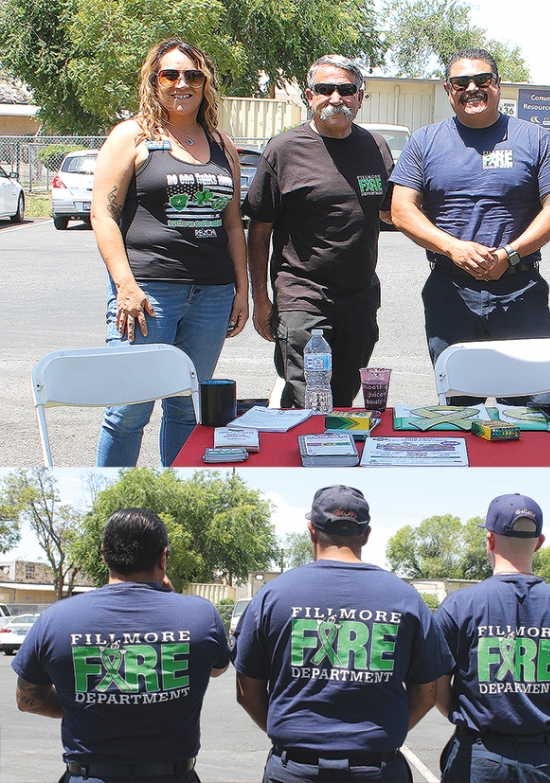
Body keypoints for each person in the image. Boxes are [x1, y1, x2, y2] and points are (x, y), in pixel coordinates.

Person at [92, 39, 249, 466]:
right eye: (170, 74)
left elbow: (233, 223)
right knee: (129, 408)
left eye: (193, 76)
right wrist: (125, 286)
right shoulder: (133, 135)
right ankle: (112, 504)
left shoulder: (221, 143)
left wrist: (242, 290)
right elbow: (103, 216)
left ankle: (172, 496)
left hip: (212, 296)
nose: (182, 83)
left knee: (186, 408)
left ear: (206, 84)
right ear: (153, 80)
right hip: (148, 295)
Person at [232, 485, 454, 782]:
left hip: (295, 770)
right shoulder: (405, 598)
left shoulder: (273, 596)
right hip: (378, 770)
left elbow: (248, 691)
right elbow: (426, 694)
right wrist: (378, 736)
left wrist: (293, 735)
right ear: (366, 534)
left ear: (312, 530)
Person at [390, 48, 550, 402]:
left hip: (521, 291)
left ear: (498, 85)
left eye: (482, 79)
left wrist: (511, 253)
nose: (472, 88)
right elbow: (402, 210)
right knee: (460, 409)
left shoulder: (534, 139)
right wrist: (454, 248)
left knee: (534, 405)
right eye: (461, 82)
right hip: (450, 293)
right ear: (448, 89)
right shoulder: (424, 142)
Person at [12, 508, 229, 783]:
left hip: (89, 777)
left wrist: (81, 702)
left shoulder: (55, 619)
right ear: (163, 557)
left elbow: (27, 700)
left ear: (104, 554)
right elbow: (217, 669)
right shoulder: (201, 616)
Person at [245, 55, 394, 409]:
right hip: (303, 297)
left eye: (346, 90)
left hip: (359, 299)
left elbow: (391, 213)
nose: (336, 98)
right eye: (325, 89)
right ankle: (303, 458)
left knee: (342, 397)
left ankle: (330, 459)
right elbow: (259, 228)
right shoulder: (283, 150)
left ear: (360, 96)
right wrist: (261, 299)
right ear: (309, 95)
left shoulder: (376, 147)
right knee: (310, 398)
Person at [435, 494, 550, 783]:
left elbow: (436, 688)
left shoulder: (460, 605)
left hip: (476, 755)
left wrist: (467, 713)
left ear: (490, 540)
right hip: (538, 761)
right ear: (539, 542)